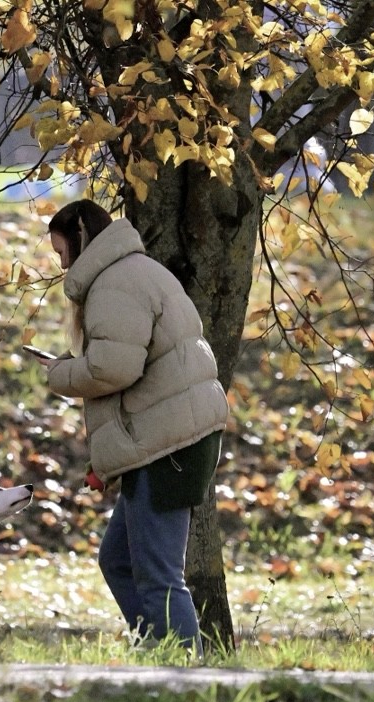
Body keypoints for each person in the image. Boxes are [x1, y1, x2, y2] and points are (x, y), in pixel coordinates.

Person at [33, 198, 228, 653]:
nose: (62, 265)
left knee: (159, 574)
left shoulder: (115, 283)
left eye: (63, 253)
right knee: (119, 559)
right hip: (166, 437)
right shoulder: (132, 272)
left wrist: (58, 373)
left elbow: (113, 370)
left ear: (81, 238)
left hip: (169, 447)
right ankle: (160, 650)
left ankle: (182, 673)